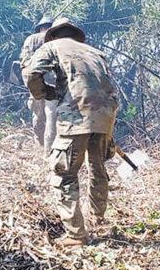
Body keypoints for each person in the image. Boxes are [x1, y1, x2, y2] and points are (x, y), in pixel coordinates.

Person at [22, 18, 119, 247]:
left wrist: (44, 93)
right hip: (106, 115)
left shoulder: (52, 46)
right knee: (98, 168)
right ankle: (97, 219)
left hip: (75, 115)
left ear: (54, 35)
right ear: (75, 35)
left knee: (63, 173)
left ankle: (76, 235)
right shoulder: (96, 52)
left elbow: (31, 74)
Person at [20, 16, 58, 153]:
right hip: (52, 84)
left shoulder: (30, 39)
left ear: (40, 27)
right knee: (51, 116)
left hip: (35, 82)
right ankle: (49, 150)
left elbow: (24, 61)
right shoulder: (56, 40)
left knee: (37, 114)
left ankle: (39, 144)